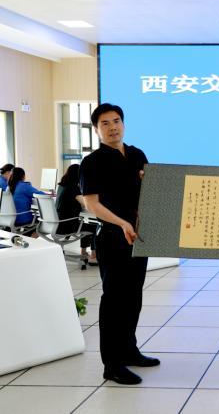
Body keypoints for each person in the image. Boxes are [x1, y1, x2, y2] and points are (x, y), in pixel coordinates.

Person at [79, 103, 156, 386]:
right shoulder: (92, 162)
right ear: (96, 130)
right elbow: (92, 203)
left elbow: (149, 191)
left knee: (133, 296)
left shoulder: (137, 154)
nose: (113, 127)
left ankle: (128, 351)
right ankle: (111, 365)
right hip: (113, 237)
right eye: (105, 123)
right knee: (114, 300)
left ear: (123, 124)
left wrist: (149, 182)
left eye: (116, 121)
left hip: (138, 237)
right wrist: (122, 223)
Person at [56, 164, 97, 265]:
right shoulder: (73, 187)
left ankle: (83, 254)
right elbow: (85, 204)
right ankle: (93, 256)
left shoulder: (62, 186)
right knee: (95, 227)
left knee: (86, 225)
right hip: (67, 225)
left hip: (58, 223)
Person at [8, 167, 47, 237]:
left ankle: (26, 238)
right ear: (23, 176)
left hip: (10, 219)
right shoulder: (24, 186)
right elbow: (42, 195)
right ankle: (30, 239)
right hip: (22, 219)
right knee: (44, 221)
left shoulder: (8, 187)